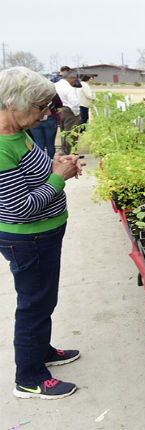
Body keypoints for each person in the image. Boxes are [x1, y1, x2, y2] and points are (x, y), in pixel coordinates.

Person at [0, 66, 85, 399]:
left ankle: (41, 350)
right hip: (29, 239)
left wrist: (56, 164)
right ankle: (29, 376)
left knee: (44, 299)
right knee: (34, 304)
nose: (46, 115)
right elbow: (20, 209)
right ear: (11, 103)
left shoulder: (17, 132)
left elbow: (33, 170)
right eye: (39, 107)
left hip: (44, 235)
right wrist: (58, 178)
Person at [54, 70, 81, 155]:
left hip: (58, 110)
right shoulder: (69, 88)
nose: (75, 82)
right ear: (71, 78)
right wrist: (77, 114)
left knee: (63, 132)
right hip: (69, 111)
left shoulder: (55, 85)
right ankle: (71, 153)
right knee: (71, 133)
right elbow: (74, 103)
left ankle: (64, 150)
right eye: (74, 80)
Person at [28, 94, 62, 158]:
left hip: (35, 118)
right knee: (50, 144)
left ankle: (40, 162)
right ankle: (52, 162)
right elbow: (59, 105)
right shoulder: (52, 93)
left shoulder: (31, 93)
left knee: (39, 143)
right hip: (50, 118)